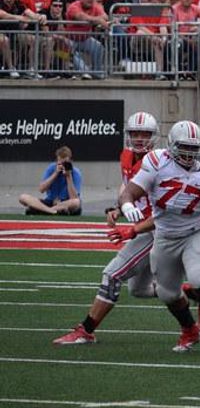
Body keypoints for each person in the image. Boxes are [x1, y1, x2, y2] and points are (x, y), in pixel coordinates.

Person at [115, 121, 200, 352]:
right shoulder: (157, 162)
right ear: (171, 145)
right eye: (184, 147)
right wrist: (127, 204)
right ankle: (189, 329)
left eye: (194, 147)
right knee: (167, 293)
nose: (189, 153)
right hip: (164, 235)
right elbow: (131, 190)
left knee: (199, 279)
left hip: (195, 232)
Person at [52, 114, 162, 345]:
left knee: (112, 275)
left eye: (145, 134)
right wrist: (120, 208)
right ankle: (190, 293)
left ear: (155, 136)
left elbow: (162, 206)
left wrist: (134, 229)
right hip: (143, 224)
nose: (140, 139)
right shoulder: (127, 155)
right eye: (135, 133)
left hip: (156, 228)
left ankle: (86, 330)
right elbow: (130, 189)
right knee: (140, 290)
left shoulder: (158, 161)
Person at [19, 145, 82, 215]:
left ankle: (43, 210)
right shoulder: (52, 168)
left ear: (70, 161)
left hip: (65, 203)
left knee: (76, 202)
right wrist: (55, 173)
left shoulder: (75, 172)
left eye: (65, 163)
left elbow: (74, 198)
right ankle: (51, 211)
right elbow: (41, 189)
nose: (63, 165)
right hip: (50, 201)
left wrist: (68, 176)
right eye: (61, 162)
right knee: (23, 197)